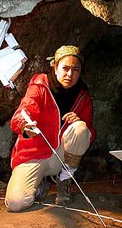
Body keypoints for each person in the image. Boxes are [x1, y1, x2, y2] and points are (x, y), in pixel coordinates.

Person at [5, 45, 95, 211]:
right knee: (16, 203)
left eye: (76, 69)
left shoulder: (83, 94)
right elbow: (21, 114)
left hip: (60, 156)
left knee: (81, 128)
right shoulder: (40, 86)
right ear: (55, 66)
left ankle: (64, 179)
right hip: (34, 153)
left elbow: (90, 133)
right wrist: (25, 127)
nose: (70, 74)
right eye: (65, 68)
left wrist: (78, 120)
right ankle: (40, 185)